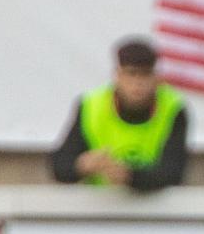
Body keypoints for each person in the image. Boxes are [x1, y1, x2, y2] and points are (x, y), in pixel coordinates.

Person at [49, 37, 190, 192]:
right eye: (131, 74)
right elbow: (59, 166)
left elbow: (173, 173)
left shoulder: (173, 109)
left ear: (157, 78)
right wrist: (83, 165)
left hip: (155, 210)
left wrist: (128, 175)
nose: (138, 83)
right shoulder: (91, 106)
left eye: (145, 75)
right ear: (117, 76)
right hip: (100, 207)